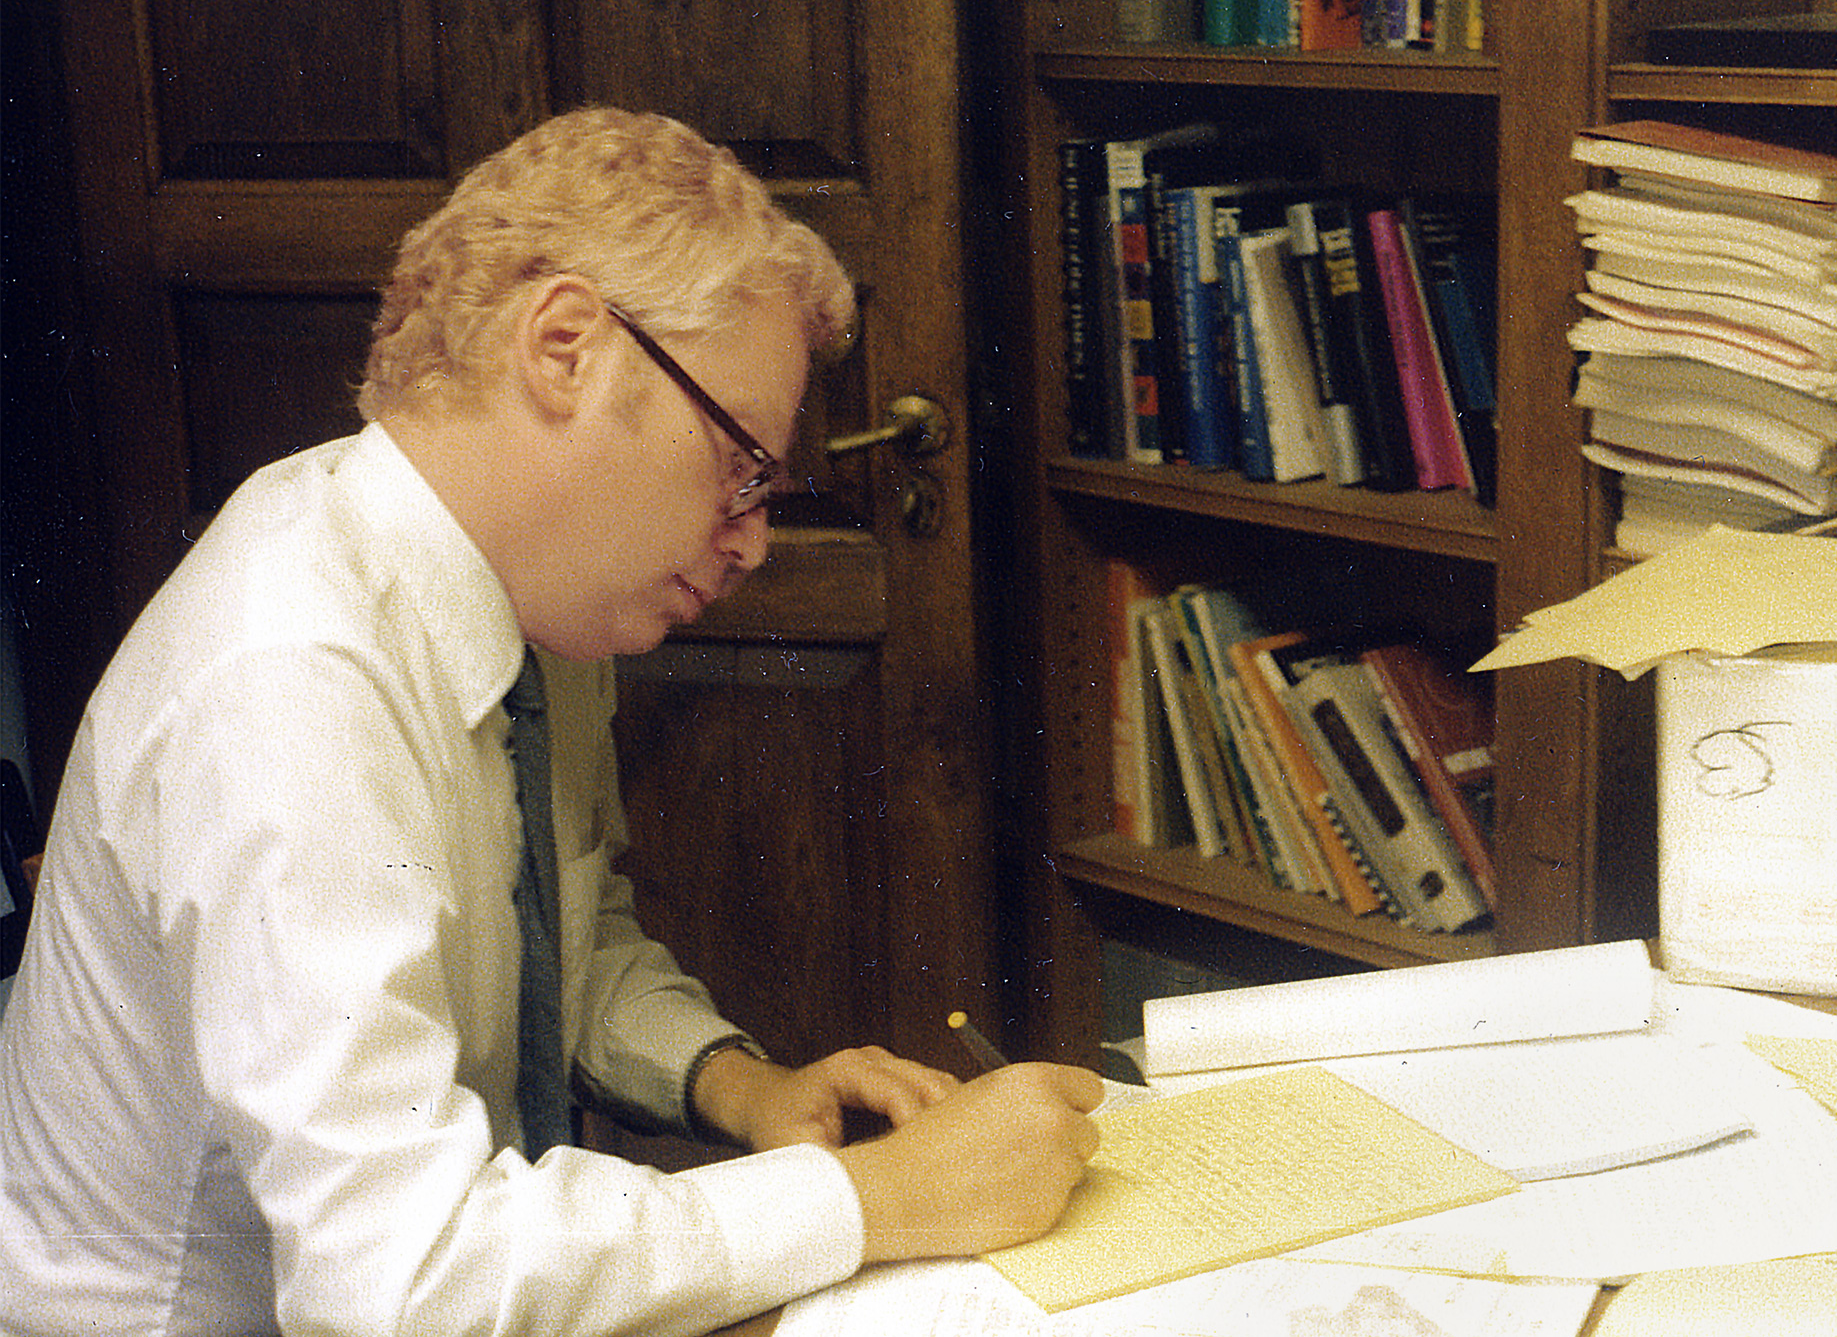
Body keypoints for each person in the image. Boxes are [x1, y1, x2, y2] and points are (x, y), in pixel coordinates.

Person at [0, 107, 1102, 1336]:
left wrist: (739, 1087)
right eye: (741, 464)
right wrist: (867, 1195)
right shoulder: (288, 681)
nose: (753, 542)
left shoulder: (528, 601)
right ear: (567, 347)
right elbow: (398, 1282)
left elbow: (553, 951)